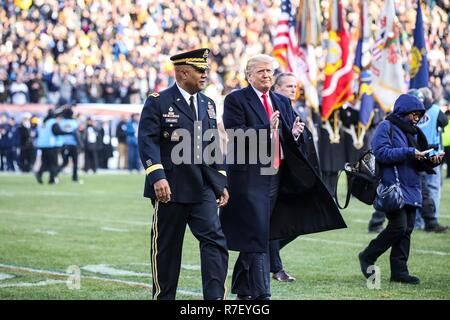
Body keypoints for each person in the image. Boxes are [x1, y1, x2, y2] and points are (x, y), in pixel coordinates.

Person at [220, 54, 346, 300]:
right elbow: (236, 134)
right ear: (249, 76)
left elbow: (287, 138)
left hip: (278, 177)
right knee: (258, 233)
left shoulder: (281, 101)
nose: (266, 75)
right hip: (249, 179)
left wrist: (295, 134)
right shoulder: (236, 99)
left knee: (261, 233)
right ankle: (262, 294)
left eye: (269, 71)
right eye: (261, 72)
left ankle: (243, 290)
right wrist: (266, 129)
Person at [138, 48, 229, 300]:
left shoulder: (208, 103)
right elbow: (147, 141)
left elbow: (212, 146)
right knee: (167, 248)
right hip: (170, 188)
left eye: (205, 70)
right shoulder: (158, 101)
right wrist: (157, 177)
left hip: (203, 188)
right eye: (200, 71)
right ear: (182, 72)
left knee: (215, 242)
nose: (204, 75)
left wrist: (220, 182)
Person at [358, 94, 444, 285]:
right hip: (392, 186)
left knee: (407, 229)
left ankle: (399, 272)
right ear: (403, 111)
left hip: (412, 185)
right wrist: (409, 152)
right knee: (399, 227)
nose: (416, 118)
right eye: (414, 114)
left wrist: (431, 160)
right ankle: (367, 256)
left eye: (419, 115)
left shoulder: (414, 132)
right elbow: (380, 153)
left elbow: (416, 161)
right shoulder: (385, 126)